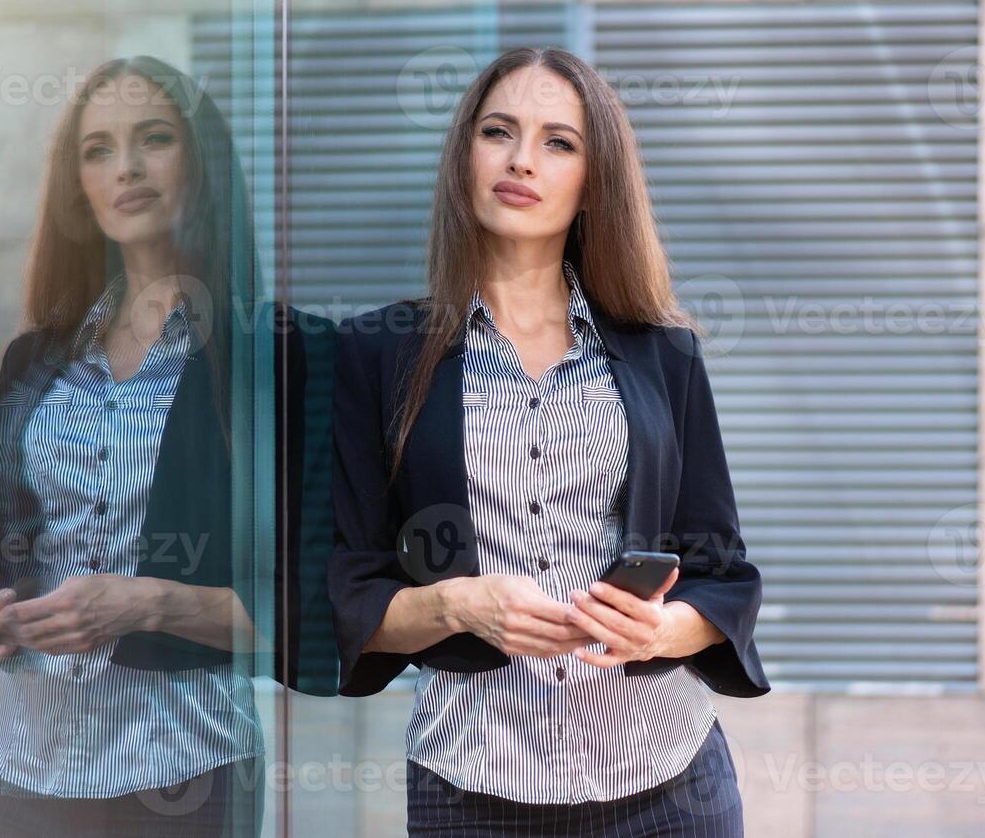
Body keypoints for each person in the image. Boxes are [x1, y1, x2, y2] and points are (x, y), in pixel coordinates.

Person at [328, 46, 770, 835]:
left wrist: (660, 631)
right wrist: (460, 603)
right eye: (499, 131)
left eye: (558, 142)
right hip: (470, 787)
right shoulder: (376, 354)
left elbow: (722, 573)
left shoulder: (663, 355)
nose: (523, 159)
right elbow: (351, 595)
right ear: (466, 152)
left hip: (669, 782)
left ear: (593, 182)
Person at [0, 55, 331, 836]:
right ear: (77, 185)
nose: (128, 168)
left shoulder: (274, 356)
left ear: (201, 159)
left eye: (155, 139)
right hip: (10, 770)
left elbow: (315, 612)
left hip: (181, 775)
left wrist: (150, 602)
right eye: (98, 149)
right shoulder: (35, 360)